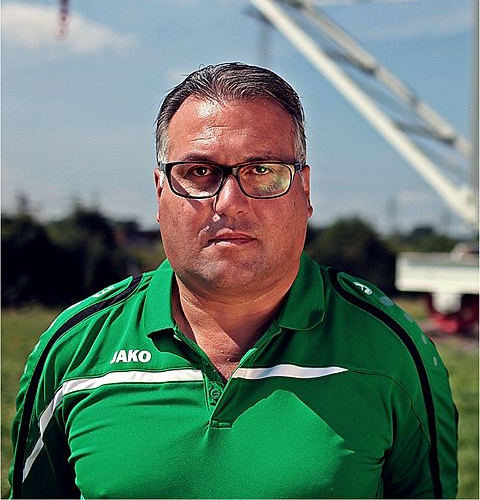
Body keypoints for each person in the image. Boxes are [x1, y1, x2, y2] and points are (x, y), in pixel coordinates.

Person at [10, 62, 457, 499]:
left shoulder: (392, 350)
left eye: (262, 171)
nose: (229, 202)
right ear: (160, 192)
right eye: (198, 172)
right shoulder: (74, 351)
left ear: (304, 190)